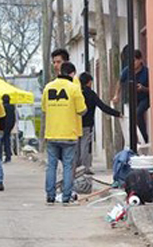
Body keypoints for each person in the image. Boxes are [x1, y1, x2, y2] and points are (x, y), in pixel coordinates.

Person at [41, 62, 87, 205]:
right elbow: (82, 110)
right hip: (69, 134)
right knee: (68, 166)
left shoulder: (48, 87)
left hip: (52, 133)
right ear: (72, 74)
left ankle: (50, 196)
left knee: (51, 166)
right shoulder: (74, 88)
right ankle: (66, 197)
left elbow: (44, 109)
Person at [76, 72, 121, 171]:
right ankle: (85, 168)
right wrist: (117, 114)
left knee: (77, 146)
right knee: (85, 146)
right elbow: (103, 107)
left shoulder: (76, 93)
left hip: (75, 124)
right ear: (89, 82)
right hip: (87, 124)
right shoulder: (91, 94)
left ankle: (76, 167)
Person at [114, 48, 151, 144]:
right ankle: (135, 140)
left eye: (134, 60)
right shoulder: (127, 70)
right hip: (133, 98)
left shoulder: (146, 72)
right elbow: (120, 82)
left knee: (138, 113)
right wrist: (116, 95)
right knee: (132, 117)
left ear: (140, 60)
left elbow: (152, 89)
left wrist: (143, 88)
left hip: (145, 98)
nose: (132, 63)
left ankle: (144, 138)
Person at [0, 94, 17, 163]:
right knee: (7, 140)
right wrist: (12, 126)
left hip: (3, 126)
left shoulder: (2, 107)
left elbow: (1, 117)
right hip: (10, 126)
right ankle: (8, 155)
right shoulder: (12, 107)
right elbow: (14, 118)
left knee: (1, 142)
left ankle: (0, 156)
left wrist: (0, 127)